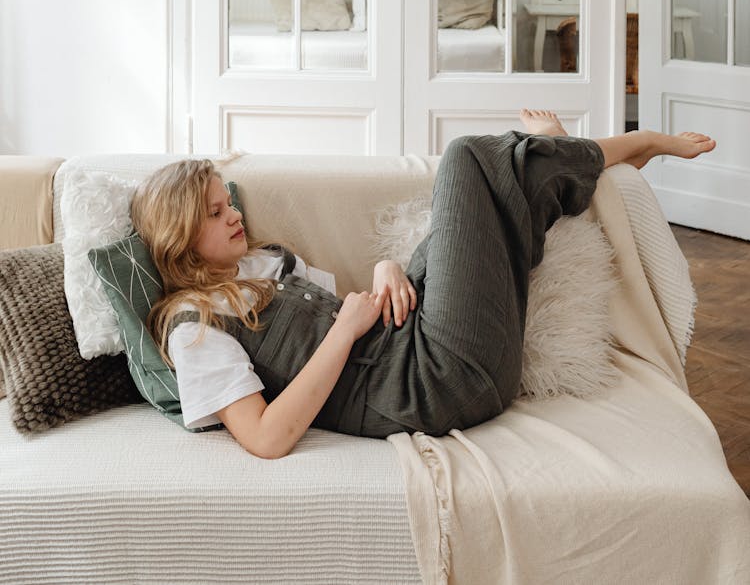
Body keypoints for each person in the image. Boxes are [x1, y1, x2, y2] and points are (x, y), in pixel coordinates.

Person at [129, 112, 715, 459]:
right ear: (181, 240)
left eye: (224, 200)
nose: (231, 213)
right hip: (434, 381)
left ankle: (558, 167)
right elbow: (264, 437)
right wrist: (350, 328)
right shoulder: (195, 329)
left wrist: (386, 273)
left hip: (416, 340)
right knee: (466, 159)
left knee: (472, 209)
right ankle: (616, 150)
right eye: (212, 213)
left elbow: (360, 306)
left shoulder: (263, 262)